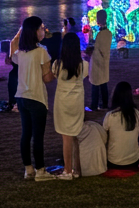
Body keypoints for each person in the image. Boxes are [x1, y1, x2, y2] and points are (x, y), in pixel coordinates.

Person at [12, 15, 57, 181]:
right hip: (36, 97)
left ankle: (28, 169)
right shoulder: (41, 52)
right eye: (41, 28)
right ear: (35, 31)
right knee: (38, 136)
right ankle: (40, 171)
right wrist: (56, 71)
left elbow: (13, 46)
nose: (44, 31)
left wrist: (20, 32)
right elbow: (47, 78)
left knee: (26, 134)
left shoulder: (20, 53)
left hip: (21, 96)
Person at [51, 32, 88, 180]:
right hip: (77, 102)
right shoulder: (84, 65)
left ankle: (67, 170)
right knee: (75, 136)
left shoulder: (57, 65)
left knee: (66, 137)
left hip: (62, 103)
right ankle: (77, 169)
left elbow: (52, 76)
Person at [102, 81, 139, 172]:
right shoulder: (136, 113)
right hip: (134, 160)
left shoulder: (111, 115)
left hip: (114, 161)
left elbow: (103, 137)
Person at [85, 9, 112, 110]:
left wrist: (90, 38)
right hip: (105, 59)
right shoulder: (108, 33)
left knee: (95, 83)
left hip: (97, 60)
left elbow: (95, 47)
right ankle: (104, 104)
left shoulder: (100, 34)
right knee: (103, 83)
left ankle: (94, 105)